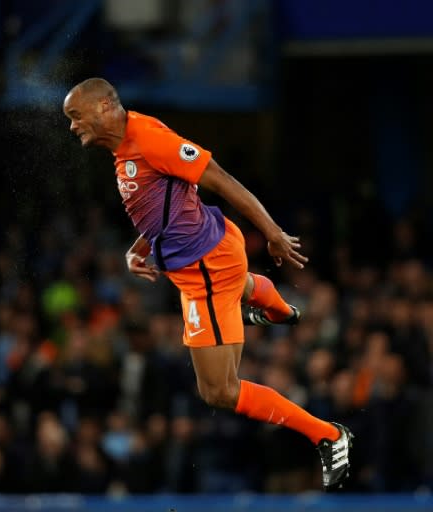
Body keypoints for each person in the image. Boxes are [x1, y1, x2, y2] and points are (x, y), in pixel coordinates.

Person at [62, 77, 352, 490]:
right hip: (213, 254)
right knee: (235, 306)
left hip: (207, 272)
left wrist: (271, 231)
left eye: (76, 116)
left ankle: (327, 434)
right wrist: (139, 247)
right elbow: (170, 200)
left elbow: (219, 177)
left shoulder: (149, 140)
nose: (73, 126)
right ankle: (280, 311)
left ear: (105, 107)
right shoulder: (128, 144)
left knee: (218, 390)